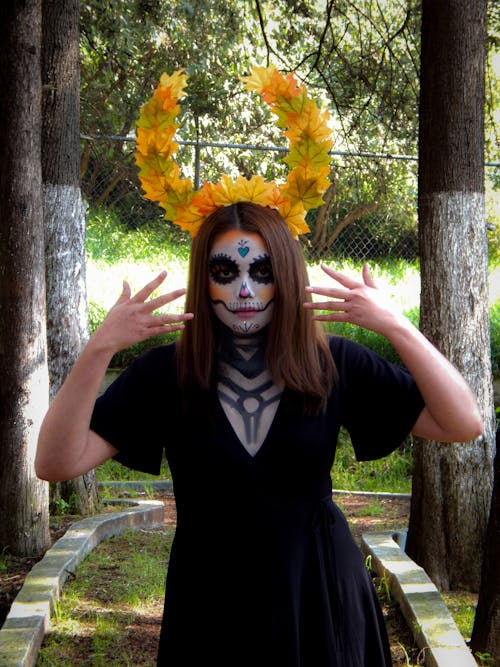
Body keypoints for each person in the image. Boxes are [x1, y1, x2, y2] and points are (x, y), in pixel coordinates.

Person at [36, 201, 483, 667]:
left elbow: (462, 422)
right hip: (209, 605)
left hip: (320, 596)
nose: (245, 289)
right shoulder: (167, 373)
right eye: (226, 272)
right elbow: (55, 463)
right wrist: (99, 347)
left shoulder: (331, 363)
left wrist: (395, 324)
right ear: (203, 280)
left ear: (286, 277)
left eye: (263, 271)